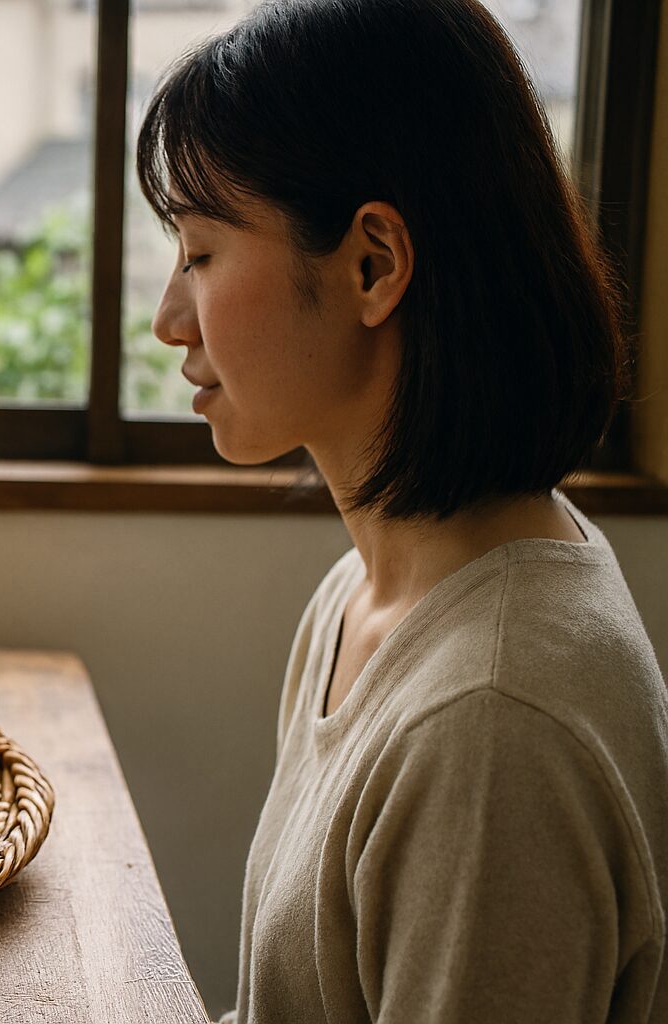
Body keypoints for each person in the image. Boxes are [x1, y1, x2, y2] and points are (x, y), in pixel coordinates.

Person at [138, 0, 668, 1021]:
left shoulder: (492, 726)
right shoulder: (367, 594)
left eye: (200, 255)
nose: (169, 321)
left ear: (371, 264)